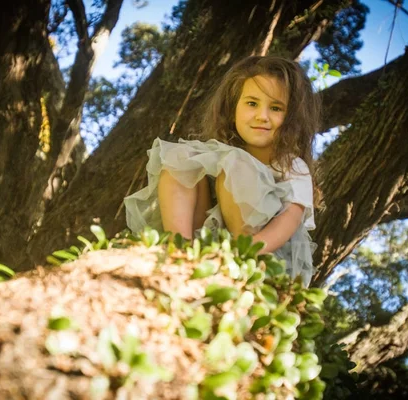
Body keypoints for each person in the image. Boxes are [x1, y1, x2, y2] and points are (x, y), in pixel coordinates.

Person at [124, 56, 321, 286]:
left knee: (234, 165)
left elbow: (287, 223)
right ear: (233, 108)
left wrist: (243, 253)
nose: (262, 116)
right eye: (251, 103)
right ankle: (180, 253)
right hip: (212, 245)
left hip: (261, 255)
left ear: (291, 118)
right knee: (183, 161)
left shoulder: (292, 165)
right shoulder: (223, 154)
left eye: (276, 108)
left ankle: (241, 270)